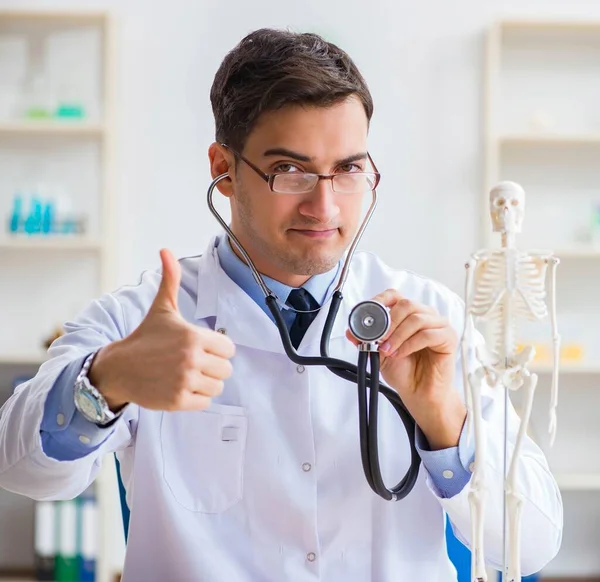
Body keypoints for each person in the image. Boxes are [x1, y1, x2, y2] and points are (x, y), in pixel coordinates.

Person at [0, 28, 562, 581]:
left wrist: (445, 420)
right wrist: (107, 380)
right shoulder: (139, 320)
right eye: (289, 171)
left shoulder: (431, 319)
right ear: (223, 169)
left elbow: (533, 544)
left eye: (348, 170)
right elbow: (21, 467)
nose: (325, 206)